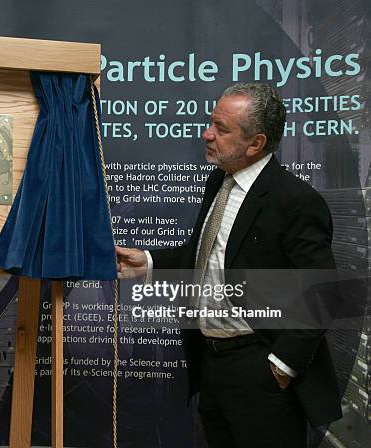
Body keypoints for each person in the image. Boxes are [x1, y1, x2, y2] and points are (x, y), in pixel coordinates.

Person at [116, 83, 341, 448]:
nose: (207, 134)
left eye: (221, 128)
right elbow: (209, 253)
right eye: (211, 123)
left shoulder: (296, 201)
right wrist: (149, 261)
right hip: (213, 366)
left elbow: (321, 294)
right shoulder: (218, 182)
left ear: (256, 144)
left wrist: (280, 367)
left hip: (261, 371)